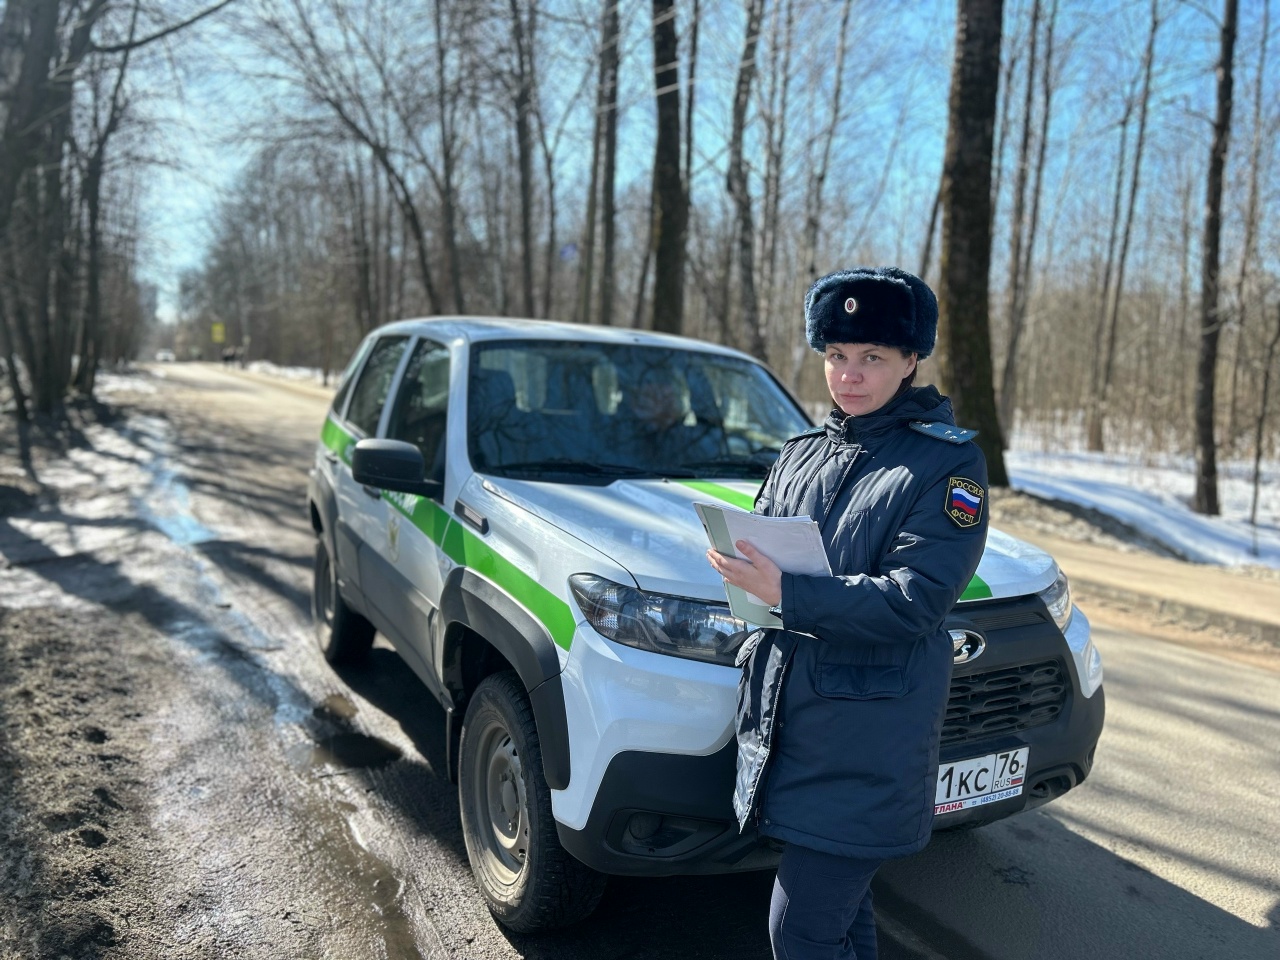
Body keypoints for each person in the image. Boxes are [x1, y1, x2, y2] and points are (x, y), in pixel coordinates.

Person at [706, 266, 989, 960]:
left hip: (867, 741)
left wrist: (787, 593)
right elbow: (768, 566)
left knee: (799, 932)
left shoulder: (946, 465)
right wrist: (746, 585)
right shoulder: (800, 454)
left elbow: (916, 599)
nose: (849, 375)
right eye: (836, 354)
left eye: (872, 357)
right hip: (792, 728)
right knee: (845, 919)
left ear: (911, 360)